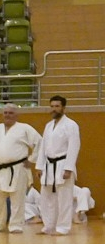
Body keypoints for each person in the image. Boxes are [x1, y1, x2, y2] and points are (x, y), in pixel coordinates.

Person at [0, 103, 41, 233]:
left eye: (11, 113)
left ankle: (15, 226)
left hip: (18, 167)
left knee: (17, 198)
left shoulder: (24, 128)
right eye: (5, 113)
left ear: (16, 115)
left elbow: (39, 142)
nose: (7, 115)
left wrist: (31, 159)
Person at [36, 95, 80, 236]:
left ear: (63, 108)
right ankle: (48, 226)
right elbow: (43, 147)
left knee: (64, 199)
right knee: (47, 198)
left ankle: (63, 228)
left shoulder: (71, 125)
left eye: (57, 106)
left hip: (62, 164)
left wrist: (69, 168)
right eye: (52, 106)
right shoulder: (48, 126)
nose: (54, 109)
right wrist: (40, 166)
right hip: (48, 166)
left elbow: (74, 147)